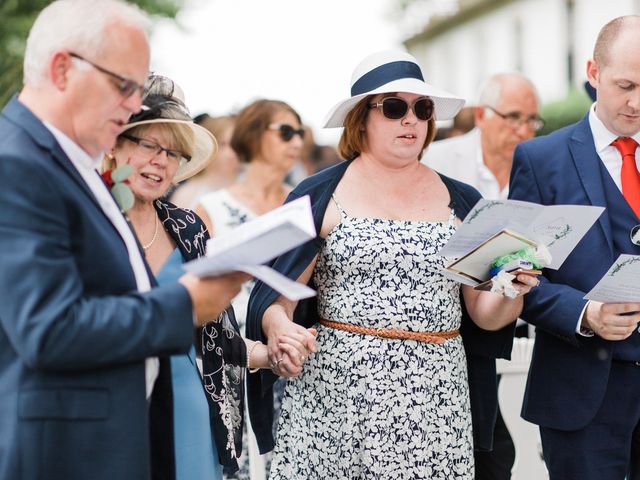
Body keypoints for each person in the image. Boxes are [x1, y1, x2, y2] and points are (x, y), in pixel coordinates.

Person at [246, 50, 539, 479]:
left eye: (422, 109)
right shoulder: (316, 194)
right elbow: (275, 295)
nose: (412, 121)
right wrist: (280, 330)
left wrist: (512, 287)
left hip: (436, 403)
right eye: (395, 108)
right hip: (337, 400)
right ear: (361, 118)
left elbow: (485, 314)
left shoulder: (463, 201)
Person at [0, 1, 249, 479]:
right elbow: (48, 329)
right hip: (66, 453)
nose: (135, 105)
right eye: (125, 85)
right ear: (61, 69)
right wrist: (185, 305)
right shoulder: (20, 165)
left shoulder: (64, 163)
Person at [104, 74, 294, 478]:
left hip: (191, 406)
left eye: (173, 153)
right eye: (149, 144)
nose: (161, 161)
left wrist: (268, 355)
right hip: (113, 406)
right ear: (115, 145)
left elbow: (215, 334)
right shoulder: (92, 220)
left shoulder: (187, 226)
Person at [508, 15, 640, 480]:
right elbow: (513, 276)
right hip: (580, 391)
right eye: (626, 84)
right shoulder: (540, 159)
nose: (637, 102)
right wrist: (585, 315)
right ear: (593, 72)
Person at [423, 72, 543, 480]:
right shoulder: (436, 162)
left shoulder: (542, 164)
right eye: (513, 117)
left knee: (512, 450)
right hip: (456, 329)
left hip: (524, 314)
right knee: (489, 447)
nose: (523, 129)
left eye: (532, 120)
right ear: (481, 115)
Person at [194, 98, 306, 480]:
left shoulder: (305, 204)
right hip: (233, 354)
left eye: (301, 133)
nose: (296, 142)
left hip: (292, 356)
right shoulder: (211, 208)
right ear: (255, 135)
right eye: (286, 132)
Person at [170, 114, 240, 208]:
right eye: (222, 144)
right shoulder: (187, 194)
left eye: (235, 145)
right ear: (208, 147)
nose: (231, 154)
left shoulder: (251, 184)